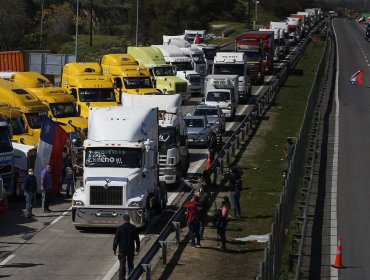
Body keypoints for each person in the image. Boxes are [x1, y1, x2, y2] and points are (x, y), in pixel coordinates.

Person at [113, 214, 140, 280]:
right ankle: (132, 277)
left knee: (122, 264)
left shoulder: (119, 228)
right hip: (130, 249)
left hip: (122, 250)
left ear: (123, 219)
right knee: (130, 264)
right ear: (129, 219)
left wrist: (114, 249)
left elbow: (116, 239)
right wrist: (137, 248)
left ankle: (121, 278)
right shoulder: (133, 227)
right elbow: (137, 239)